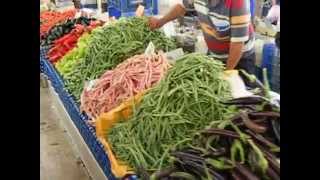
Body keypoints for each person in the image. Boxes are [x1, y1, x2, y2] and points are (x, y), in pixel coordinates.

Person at [149, 0, 256, 86]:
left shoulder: (238, 2)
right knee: (211, 90)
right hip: (215, 56)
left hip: (240, 59)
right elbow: (181, 8)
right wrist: (161, 21)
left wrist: (226, 73)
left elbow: (237, 44)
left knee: (239, 100)